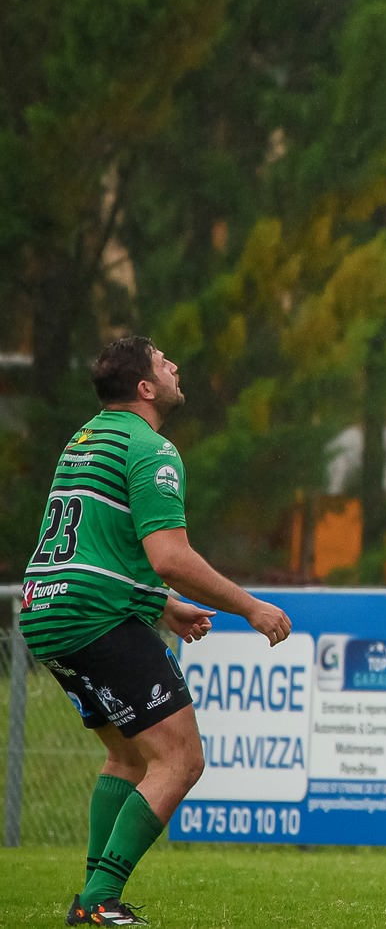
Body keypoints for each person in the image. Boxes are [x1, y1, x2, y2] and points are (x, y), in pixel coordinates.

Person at [21, 337, 290, 928]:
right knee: (181, 759)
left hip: (47, 611)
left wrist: (161, 605)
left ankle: (91, 900)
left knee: (126, 755)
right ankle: (100, 900)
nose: (174, 367)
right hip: (94, 616)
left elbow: (97, 545)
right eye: (164, 363)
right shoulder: (151, 449)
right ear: (146, 388)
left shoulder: (85, 440)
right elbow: (170, 557)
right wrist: (250, 607)